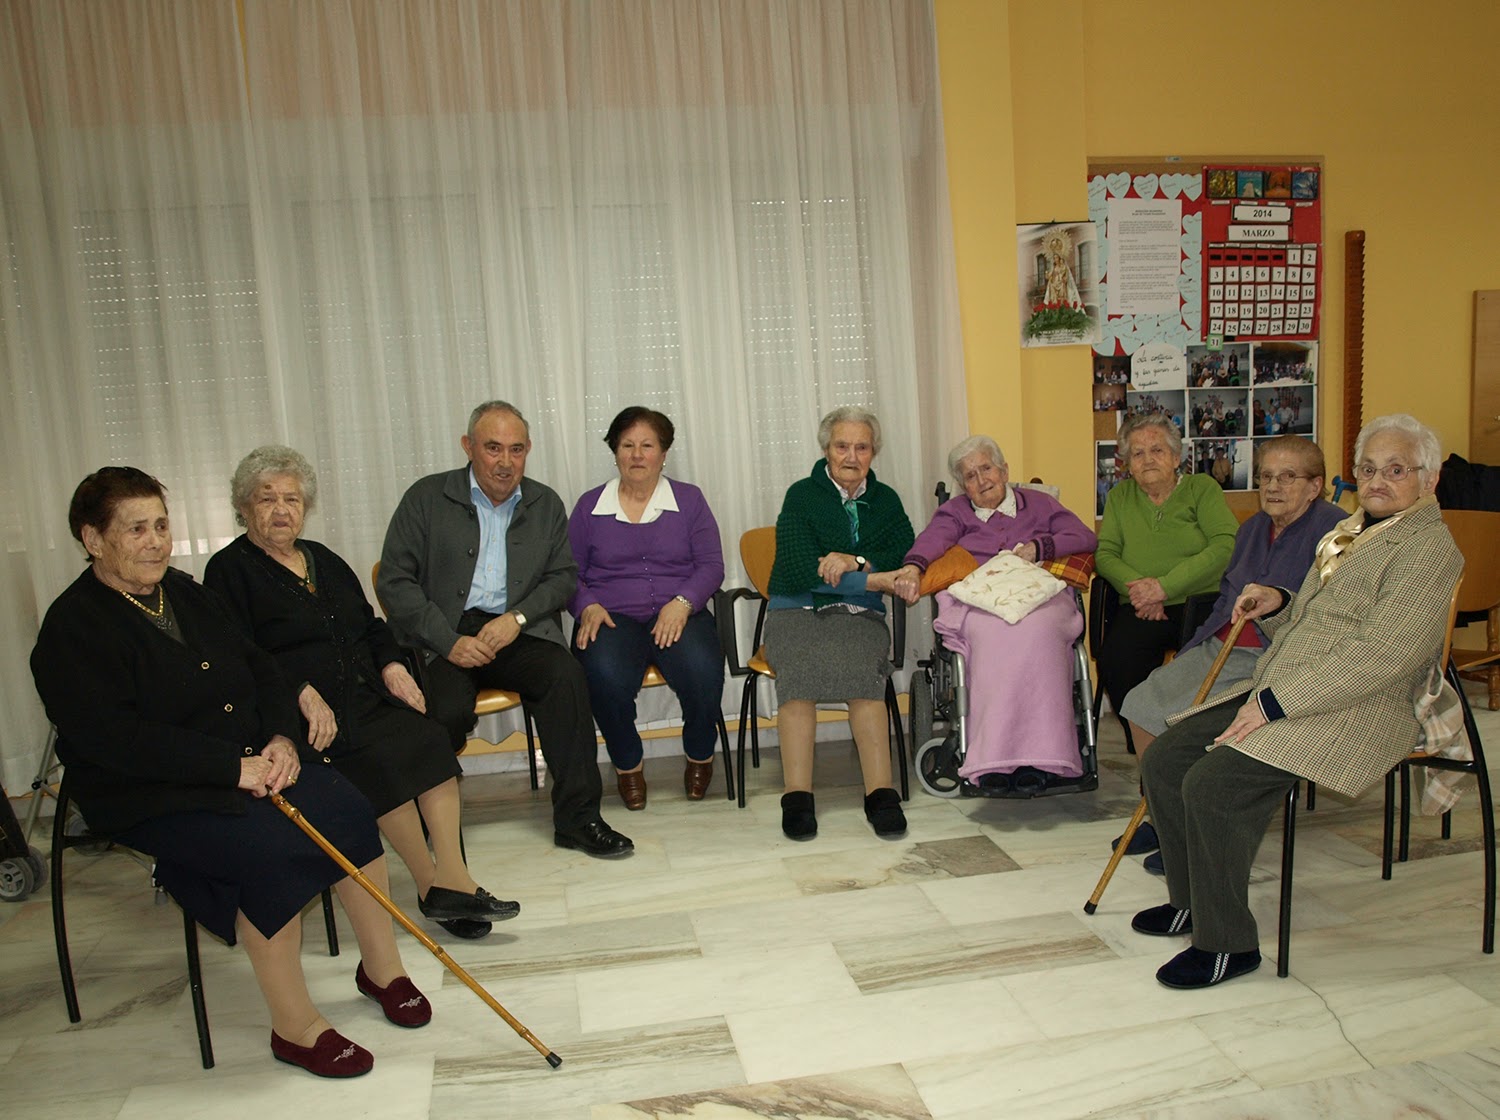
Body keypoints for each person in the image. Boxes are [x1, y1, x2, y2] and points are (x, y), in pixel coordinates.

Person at [32, 468, 427, 1078]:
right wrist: (228, 768)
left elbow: (260, 666)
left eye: (161, 526)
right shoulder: (72, 628)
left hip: (248, 759)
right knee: (268, 849)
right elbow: (115, 741)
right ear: (93, 539)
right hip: (150, 789)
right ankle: (295, 1027)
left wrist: (280, 737)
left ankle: (381, 970)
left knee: (348, 805)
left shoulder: (184, 592)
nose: (156, 542)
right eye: (136, 530)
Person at [1132, 415, 1462, 989]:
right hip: (1289, 686)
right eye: (1368, 469)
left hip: (1358, 708)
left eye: (1395, 470)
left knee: (1213, 784)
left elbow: (1383, 656)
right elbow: (1318, 618)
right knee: (1166, 760)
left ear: (1428, 480)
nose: (1377, 481)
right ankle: (1190, 903)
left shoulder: (1429, 549)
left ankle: (1227, 944)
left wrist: (1273, 704)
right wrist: (1280, 601)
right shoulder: (1353, 532)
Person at [205, 447, 518, 940]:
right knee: (376, 760)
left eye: (292, 499)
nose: (282, 510)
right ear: (243, 506)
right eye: (267, 499)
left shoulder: (323, 560)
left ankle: (453, 878)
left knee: (427, 738)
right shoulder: (228, 570)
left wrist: (392, 665)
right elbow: (239, 653)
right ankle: (431, 884)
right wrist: (301, 691)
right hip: (297, 717)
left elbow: (370, 625)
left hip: (362, 695)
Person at [377, 401, 632, 858]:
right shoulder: (426, 498)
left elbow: (563, 577)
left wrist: (517, 619)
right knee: (445, 710)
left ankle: (578, 820)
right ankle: (429, 821)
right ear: (468, 447)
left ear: (528, 450)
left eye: (516, 449)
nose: (505, 461)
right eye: (493, 448)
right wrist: (448, 641)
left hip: (517, 631)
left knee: (566, 678)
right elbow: (395, 581)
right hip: (445, 634)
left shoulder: (544, 503)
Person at [1117, 435, 1345, 868]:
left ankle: (1187, 830)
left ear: (1315, 486)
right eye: (1266, 477)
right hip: (1223, 641)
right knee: (1140, 703)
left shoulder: (1335, 533)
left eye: (1287, 477)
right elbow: (1226, 596)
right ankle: (1164, 816)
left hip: (1273, 657)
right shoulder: (1253, 528)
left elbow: (1331, 612)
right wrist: (1194, 647)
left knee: (1189, 723)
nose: (1273, 486)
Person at [881, 436, 1097, 789]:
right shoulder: (955, 512)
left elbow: (1085, 536)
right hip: (983, 599)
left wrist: (1039, 547)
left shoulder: (1039, 504)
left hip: (1040, 596)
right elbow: (932, 540)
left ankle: (1047, 760)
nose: (981, 480)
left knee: (1041, 631)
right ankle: (995, 762)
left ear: (1004, 470)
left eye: (987, 469)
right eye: (970, 475)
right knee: (991, 635)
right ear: (962, 485)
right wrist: (912, 567)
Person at [763, 406, 914, 841]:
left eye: (861, 447)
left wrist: (855, 560)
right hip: (795, 609)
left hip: (860, 614)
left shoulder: (886, 501)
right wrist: (871, 579)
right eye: (842, 446)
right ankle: (797, 797)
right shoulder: (801, 495)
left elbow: (905, 552)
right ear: (826, 450)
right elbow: (798, 569)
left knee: (864, 673)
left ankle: (881, 794)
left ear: (873, 452)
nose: (851, 456)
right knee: (799, 675)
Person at [569, 407, 726, 809]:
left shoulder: (689, 500)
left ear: (664, 453)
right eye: (627, 445)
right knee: (602, 675)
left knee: (703, 670)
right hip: (611, 616)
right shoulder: (589, 507)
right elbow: (568, 574)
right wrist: (586, 605)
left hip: (679, 612)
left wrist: (684, 602)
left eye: (647, 445)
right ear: (615, 452)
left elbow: (711, 566)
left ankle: (700, 755)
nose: (637, 455)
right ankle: (628, 765)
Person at [1094, 413, 1238, 733]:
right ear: (1128, 465)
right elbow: (1105, 554)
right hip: (1140, 606)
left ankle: (1188, 740)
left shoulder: (1202, 488)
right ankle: (1144, 743)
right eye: (1138, 453)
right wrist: (1141, 592)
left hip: (1201, 604)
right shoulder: (1120, 497)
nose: (1147, 459)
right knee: (1117, 660)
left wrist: (1164, 587)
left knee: (1204, 669)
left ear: (1175, 457)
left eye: (1157, 450)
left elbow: (1226, 545)